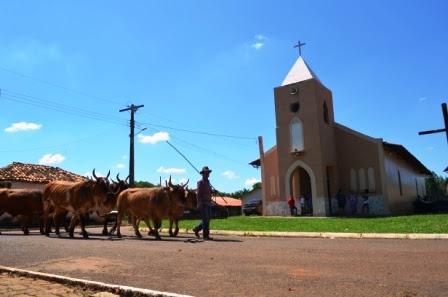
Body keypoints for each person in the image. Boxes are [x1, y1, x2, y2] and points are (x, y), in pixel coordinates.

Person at [193, 166, 214, 240]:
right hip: (203, 203)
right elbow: (198, 194)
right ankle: (205, 236)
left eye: (208, 173)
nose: (208, 174)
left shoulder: (208, 182)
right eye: (206, 173)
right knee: (205, 219)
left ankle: (196, 229)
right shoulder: (200, 182)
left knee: (208, 219)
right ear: (203, 174)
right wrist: (199, 203)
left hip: (209, 203)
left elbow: (210, 191)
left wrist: (213, 191)